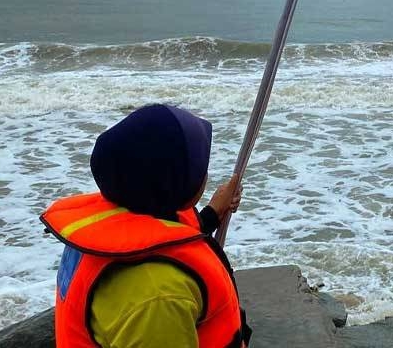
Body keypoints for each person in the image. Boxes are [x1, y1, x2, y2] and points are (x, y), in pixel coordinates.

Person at [40, 104, 251, 347]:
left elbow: (160, 243)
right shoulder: (159, 296)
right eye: (201, 164)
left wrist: (213, 213)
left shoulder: (111, 222)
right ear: (178, 186)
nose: (205, 171)